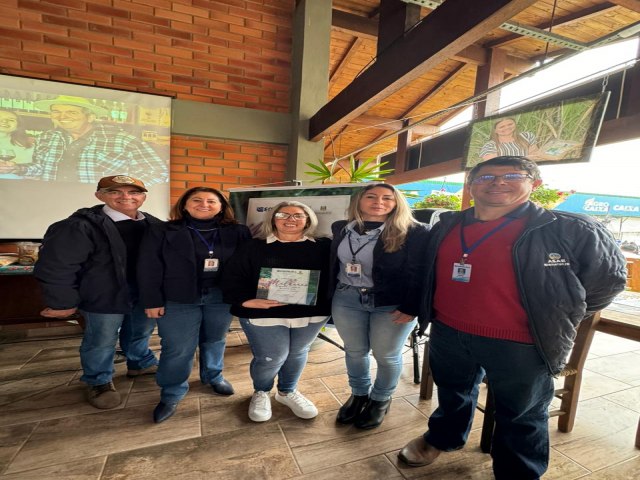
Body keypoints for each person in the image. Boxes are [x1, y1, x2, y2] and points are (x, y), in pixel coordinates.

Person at [398, 156, 628, 479]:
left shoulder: (570, 229)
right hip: (448, 331)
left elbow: (609, 281)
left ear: (535, 185)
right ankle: (442, 438)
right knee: (452, 394)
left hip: (522, 342)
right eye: (485, 177)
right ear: (471, 185)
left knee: (521, 413)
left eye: (511, 175)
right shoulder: (447, 225)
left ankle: (518, 472)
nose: (497, 182)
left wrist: (558, 314)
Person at [34, 175, 161, 409]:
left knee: (140, 332)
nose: (126, 197)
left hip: (144, 295)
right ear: (99, 196)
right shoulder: (78, 226)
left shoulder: (155, 225)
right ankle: (98, 380)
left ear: (143, 197)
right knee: (101, 340)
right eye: (115, 192)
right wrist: (63, 303)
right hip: (103, 296)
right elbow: (58, 266)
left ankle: (140, 362)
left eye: (134, 192)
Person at [138, 187, 251, 424]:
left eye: (212, 201)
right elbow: (149, 266)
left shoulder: (238, 232)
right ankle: (172, 392)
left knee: (215, 339)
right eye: (197, 200)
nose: (204, 204)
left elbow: (246, 266)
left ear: (222, 206)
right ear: (184, 204)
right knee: (178, 347)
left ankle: (213, 376)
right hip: (177, 298)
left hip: (220, 297)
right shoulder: (164, 230)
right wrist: (152, 300)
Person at [329, 184, 430, 429]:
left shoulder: (415, 231)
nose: (379, 202)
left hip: (391, 303)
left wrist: (412, 307)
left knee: (386, 355)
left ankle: (381, 399)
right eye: (371, 196)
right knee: (354, 351)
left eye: (387, 198)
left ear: (397, 203)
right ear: (359, 200)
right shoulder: (341, 227)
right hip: (347, 299)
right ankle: (359, 394)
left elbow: (420, 272)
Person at [223, 201, 331, 423]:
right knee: (271, 357)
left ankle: (287, 392)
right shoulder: (253, 246)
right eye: (283, 214)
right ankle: (261, 391)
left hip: (310, 313)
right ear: (272, 218)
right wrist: (245, 301)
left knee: (298, 352)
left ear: (308, 220)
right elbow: (232, 276)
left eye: (297, 215)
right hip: (263, 312)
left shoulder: (324, 246)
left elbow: (336, 278)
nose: (290, 219)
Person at [0, 95, 168, 185]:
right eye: (56, 111)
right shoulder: (47, 137)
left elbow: (159, 173)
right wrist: (16, 168)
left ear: (90, 116)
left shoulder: (122, 140)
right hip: (50, 202)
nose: (62, 116)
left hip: (99, 211)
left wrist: (122, 190)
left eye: (71, 112)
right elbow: (39, 168)